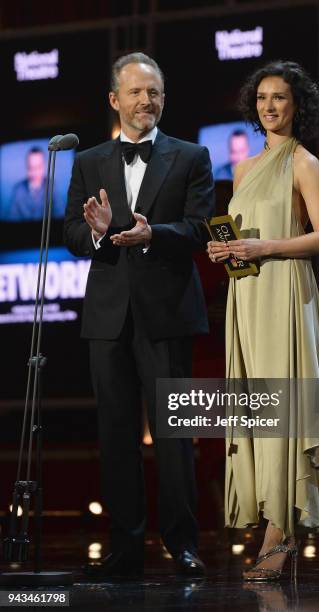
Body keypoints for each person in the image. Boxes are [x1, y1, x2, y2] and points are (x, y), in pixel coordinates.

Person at [64, 52, 215, 577]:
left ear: (163, 99)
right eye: (135, 92)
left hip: (168, 313)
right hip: (108, 318)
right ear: (115, 100)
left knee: (175, 437)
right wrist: (101, 232)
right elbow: (73, 236)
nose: (145, 101)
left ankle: (184, 543)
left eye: (153, 92)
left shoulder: (192, 156)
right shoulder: (87, 162)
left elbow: (200, 229)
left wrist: (157, 233)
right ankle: (125, 546)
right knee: (116, 434)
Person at [207, 60, 319, 581]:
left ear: (298, 105)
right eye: (263, 97)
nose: (270, 106)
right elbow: (243, 235)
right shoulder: (242, 170)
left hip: (286, 294)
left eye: (280, 98)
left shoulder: (305, 163)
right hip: (247, 295)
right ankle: (270, 515)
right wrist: (227, 251)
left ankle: (281, 530)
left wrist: (268, 245)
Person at [8, 147, 64, 220]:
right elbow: (12, 218)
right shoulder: (18, 189)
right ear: (26, 167)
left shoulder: (51, 185)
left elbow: (60, 213)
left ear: (44, 167)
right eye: (31, 167)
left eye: (38, 167)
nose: (35, 172)